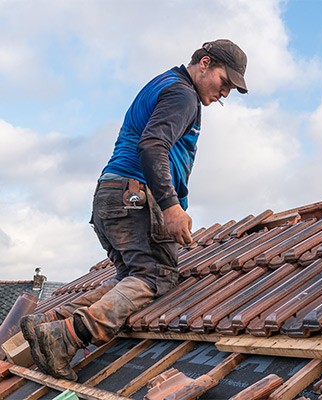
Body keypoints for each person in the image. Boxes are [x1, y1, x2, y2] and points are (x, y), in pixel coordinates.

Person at [20, 39, 248, 381]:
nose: (225, 93)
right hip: (135, 196)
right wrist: (171, 207)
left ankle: (51, 322)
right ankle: (66, 337)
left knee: (130, 278)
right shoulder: (183, 94)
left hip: (111, 195)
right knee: (156, 276)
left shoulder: (163, 83)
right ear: (204, 63)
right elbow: (153, 144)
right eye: (224, 81)